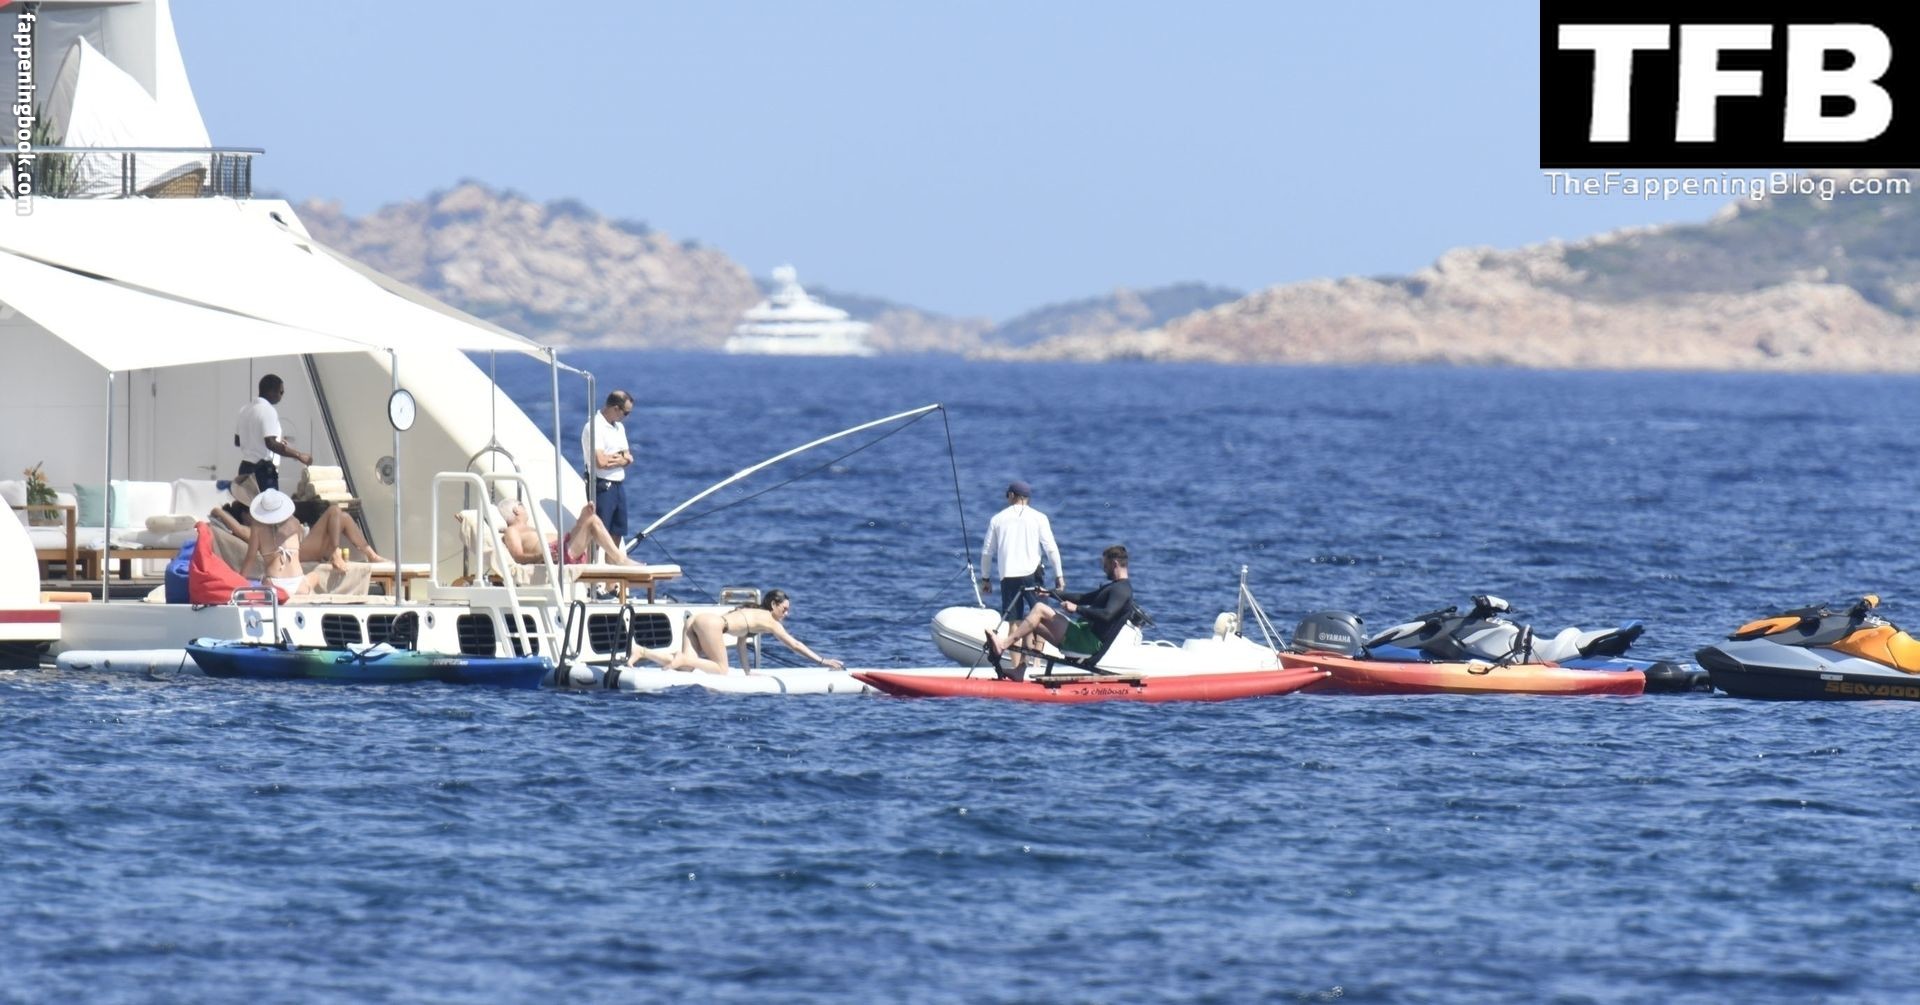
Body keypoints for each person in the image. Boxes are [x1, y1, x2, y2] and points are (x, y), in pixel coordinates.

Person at [985, 544, 1134, 680]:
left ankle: (1003, 645)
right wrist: (1049, 593)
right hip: (1082, 636)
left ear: (1115, 564)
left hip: (1088, 643)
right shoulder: (1113, 587)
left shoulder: (1122, 590)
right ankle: (1020, 669)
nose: (1104, 569)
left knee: (1039, 608)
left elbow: (1107, 615)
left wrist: (1077, 609)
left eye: (1105, 565)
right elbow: (1082, 598)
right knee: (1031, 622)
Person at [627, 588, 843, 675]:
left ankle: (643, 652)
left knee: (686, 668)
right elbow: (794, 645)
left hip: (697, 620)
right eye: (784, 609)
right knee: (722, 669)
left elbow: (741, 644)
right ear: (773, 605)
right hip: (712, 625)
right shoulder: (771, 621)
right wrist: (822, 660)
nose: (787, 614)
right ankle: (682, 657)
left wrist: (747, 673)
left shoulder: (753, 612)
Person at [212, 487, 388, 565]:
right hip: (301, 551)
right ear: (244, 516)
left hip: (306, 543)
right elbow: (238, 529)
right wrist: (219, 512)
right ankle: (335, 552)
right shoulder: (252, 531)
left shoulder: (261, 527)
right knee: (334, 510)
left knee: (343, 516)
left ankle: (371, 555)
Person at [225, 488, 348, 596]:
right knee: (316, 576)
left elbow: (250, 558)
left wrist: (238, 584)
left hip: (274, 584)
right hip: (299, 584)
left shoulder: (257, 528)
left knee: (261, 581)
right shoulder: (294, 523)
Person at [979, 480, 1064, 625]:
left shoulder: (997, 519)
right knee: (1040, 617)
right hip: (1032, 575)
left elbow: (987, 552)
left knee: (1013, 621)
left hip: (1008, 575)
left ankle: (1014, 641)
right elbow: (1051, 548)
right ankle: (1036, 641)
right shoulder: (1039, 517)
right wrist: (1059, 575)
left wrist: (985, 579)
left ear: (1012, 495)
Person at [496, 498, 641, 567]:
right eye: (521, 505)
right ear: (516, 510)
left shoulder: (526, 529)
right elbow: (518, 557)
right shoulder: (512, 531)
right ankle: (619, 559)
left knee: (590, 520)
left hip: (562, 547)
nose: (524, 508)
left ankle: (583, 519)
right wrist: (542, 555)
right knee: (593, 521)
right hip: (556, 555)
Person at [231, 374, 311, 496]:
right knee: (268, 507)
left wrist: (272, 440)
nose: (281, 396)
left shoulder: (245, 409)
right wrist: (299, 455)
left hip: (245, 468)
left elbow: (238, 441)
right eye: (281, 392)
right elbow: (271, 444)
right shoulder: (267, 410)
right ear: (271, 391)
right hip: (262, 471)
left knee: (247, 504)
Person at [582, 390, 635, 550]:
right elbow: (601, 461)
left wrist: (621, 458)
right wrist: (622, 459)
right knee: (600, 530)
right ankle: (594, 561)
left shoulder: (619, 428)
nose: (627, 417)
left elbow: (628, 457)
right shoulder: (594, 427)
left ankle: (612, 561)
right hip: (602, 485)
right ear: (616, 408)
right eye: (626, 413)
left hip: (618, 484)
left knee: (617, 531)